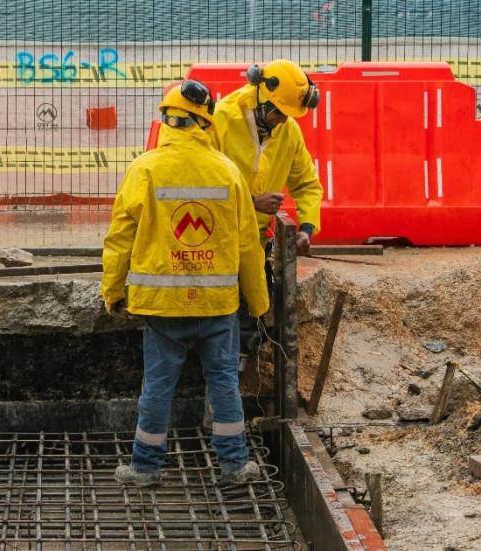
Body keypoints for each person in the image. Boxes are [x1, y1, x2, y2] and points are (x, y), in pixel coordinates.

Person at [101, 81, 270, 486]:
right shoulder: (227, 171)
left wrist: (113, 291)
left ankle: (144, 468)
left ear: (167, 121)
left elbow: (121, 235)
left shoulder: (146, 168)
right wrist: (259, 302)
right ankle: (233, 466)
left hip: (162, 306)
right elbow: (248, 242)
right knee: (224, 382)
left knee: (158, 385)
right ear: (205, 121)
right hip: (217, 305)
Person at [207, 59, 324, 364]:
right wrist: (251, 201)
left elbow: (308, 186)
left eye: (287, 115)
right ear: (261, 94)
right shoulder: (220, 121)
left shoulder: (289, 132)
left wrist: (306, 229)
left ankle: (244, 367)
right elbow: (202, 186)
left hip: (255, 243)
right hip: (216, 240)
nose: (282, 120)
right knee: (218, 316)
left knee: (253, 311)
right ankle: (224, 374)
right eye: (278, 112)